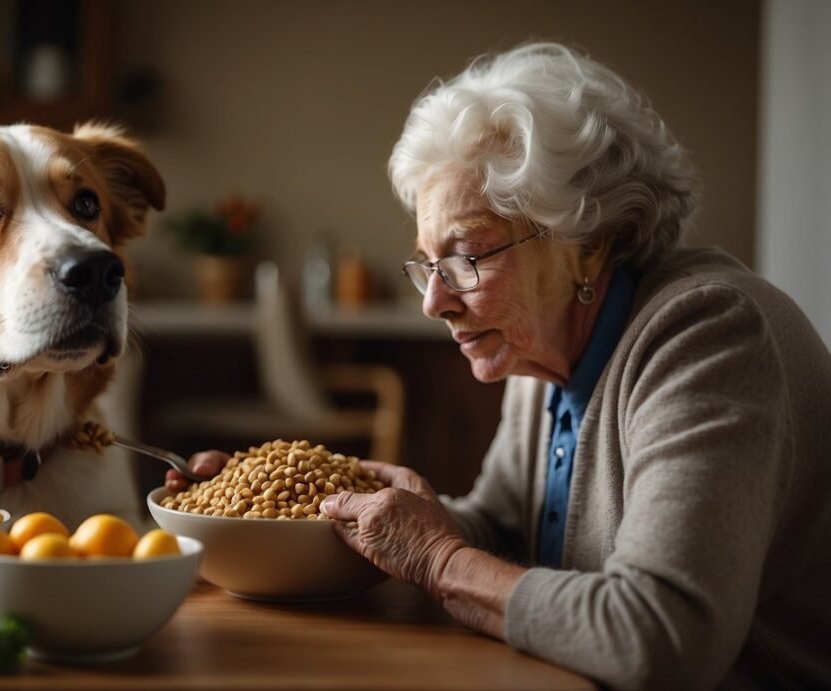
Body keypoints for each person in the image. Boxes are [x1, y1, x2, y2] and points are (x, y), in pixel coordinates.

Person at [168, 43, 831, 690]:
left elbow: (660, 640)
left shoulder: (710, 337)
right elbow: (505, 529)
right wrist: (336, 511)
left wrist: (436, 556)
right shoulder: (538, 348)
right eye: (428, 262)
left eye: (465, 257)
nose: (433, 300)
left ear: (587, 242)